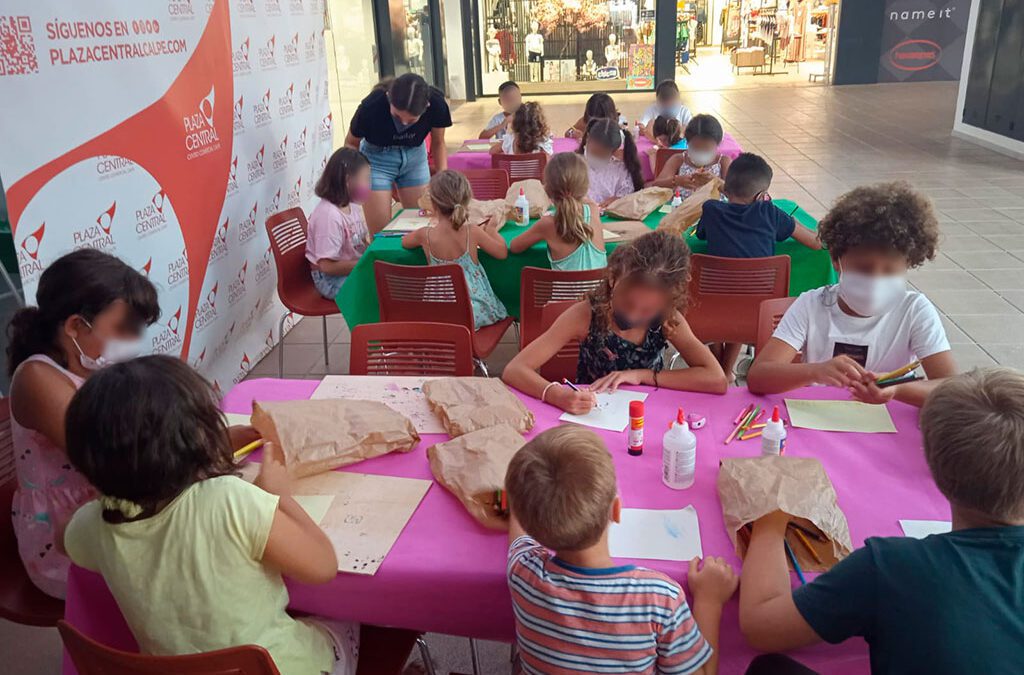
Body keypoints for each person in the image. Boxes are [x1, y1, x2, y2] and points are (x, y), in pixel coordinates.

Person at [62, 356, 355, 675]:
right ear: (194, 440)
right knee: (350, 617)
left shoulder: (94, 523)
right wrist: (279, 497)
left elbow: (64, 539)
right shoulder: (230, 499)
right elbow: (323, 566)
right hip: (281, 668)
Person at [739, 368, 1024, 674]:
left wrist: (771, 516)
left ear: (930, 458)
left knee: (768, 669)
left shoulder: (892, 566)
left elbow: (762, 627)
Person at [506, 425, 738, 675]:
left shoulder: (522, 572)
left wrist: (523, 497)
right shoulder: (659, 598)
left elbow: (518, 524)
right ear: (617, 511)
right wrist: (709, 601)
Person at [6, 249, 159, 598]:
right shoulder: (38, 379)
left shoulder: (95, 365)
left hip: (109, 505)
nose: (132, 340)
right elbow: (108, 464)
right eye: (123, 328)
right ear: (76, 325)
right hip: (62, 535)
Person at [747, 182, 956, 408]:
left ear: (907, 264)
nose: (876, 279)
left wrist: (897, 389)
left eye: (890, 270)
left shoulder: (914, 310)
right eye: (864, 269)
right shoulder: (811, 305)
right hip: (820, 420)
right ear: (836, 261)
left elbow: (952, 388)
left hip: (888, 423)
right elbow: (759, 376)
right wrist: (815, 371)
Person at [502, 231, 728, 415]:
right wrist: (555, 394)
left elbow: (716, 379)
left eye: (647, 310)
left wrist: (642, 376)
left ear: (668, 302)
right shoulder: (585, 315)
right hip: (592, 413)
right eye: (627, 302)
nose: (633, 315)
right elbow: (514, 369)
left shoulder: (668, 319)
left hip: (649, 414)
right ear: (612, 279)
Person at [696, 153, 821, 379]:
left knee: (727, 300)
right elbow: (814, 243)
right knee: (742, 300)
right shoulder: (770, 213)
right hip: (758, 315)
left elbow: (701, 235)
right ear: (763, 195)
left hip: (708, 310)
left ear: (725, 189)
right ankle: (725, 371)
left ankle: (720, 369)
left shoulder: (711, 210)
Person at [402, 170, 509, 329]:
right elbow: (502, 252)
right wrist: (492, 229)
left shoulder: (424, 235)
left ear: (433, 203)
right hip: (475, 312)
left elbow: (404, 242)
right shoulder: (472, 231)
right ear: (467, 200)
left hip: (440, 314)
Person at [346, 73, 452, 232]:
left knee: (422, 226)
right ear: (388, 97)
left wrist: (442, 177)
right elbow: (350, 143)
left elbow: (438, 143)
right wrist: (354, 176)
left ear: (426, 106)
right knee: (381, 232)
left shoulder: (437, 105)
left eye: (411, 120)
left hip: (415, 157)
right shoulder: (371, 106)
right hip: (376, 160)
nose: (403, 123)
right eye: (396, 116)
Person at [509, 152, 606, 272]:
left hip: (565, 291)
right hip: (601, 291)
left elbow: (514, 247)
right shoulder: (593, 210)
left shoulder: (547, 224)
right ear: (585, 187)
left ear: (547, 190)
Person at [305, 147, 371, 299]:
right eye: (366, 179)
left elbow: (360, 242)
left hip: (350, 269)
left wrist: (374, 255)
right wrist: (366, 264)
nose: (369, 185)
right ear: (348, 180)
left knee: (387, 281)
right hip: (329, 280)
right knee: (378, 291)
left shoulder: (351, 205)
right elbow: (326, 266)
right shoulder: (328, 216)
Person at [654, 114, 730, 198]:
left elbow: (736, 194)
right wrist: (676, 181)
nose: (701, 152)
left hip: (716, 210)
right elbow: (656, 186)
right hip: (682, 209)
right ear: (687, 143)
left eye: (706, 148)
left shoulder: (723, 162)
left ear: (717, 144)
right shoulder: (678, 159)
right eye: (695, 147)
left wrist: (716, 182)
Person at [575, 117, 645, 206]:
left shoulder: (620, 170)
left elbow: (628, 197)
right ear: (587, 138)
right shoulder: (574, 165)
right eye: (594, 152)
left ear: (613, 152)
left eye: (602, 155)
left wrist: (619, 200)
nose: (597, 157)